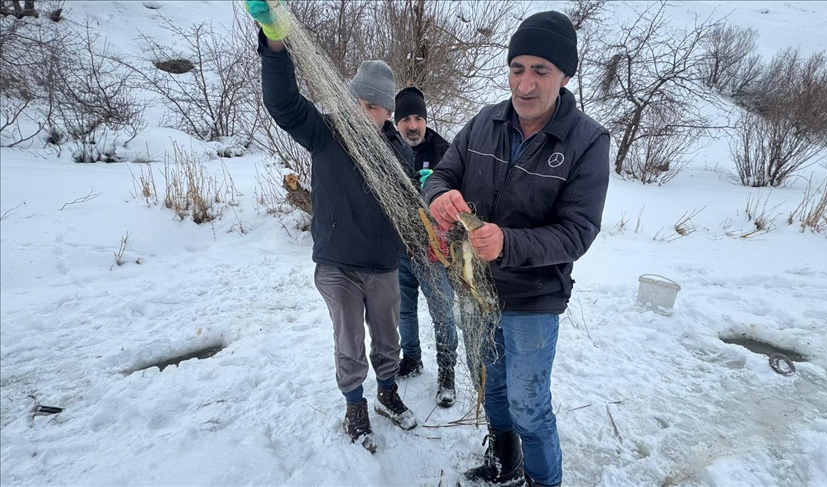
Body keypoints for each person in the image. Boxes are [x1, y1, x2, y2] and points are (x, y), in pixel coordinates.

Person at [424, 11, 610, 487]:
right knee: (494, 390)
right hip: (477, 291)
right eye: (517, 68)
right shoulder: (485, 120)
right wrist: (438, 194)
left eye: (540, 70)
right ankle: (505, 464)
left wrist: (508, 242)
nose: (525, 85)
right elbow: (443, 173)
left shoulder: (587, 141)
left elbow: (578, 231)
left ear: (565, 75)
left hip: (532, 298)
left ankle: (543, 481)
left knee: (529, 404)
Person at [245, 0, 418, 453]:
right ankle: (354, 406)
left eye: (374, 107)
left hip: (382, 265)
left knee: (387, 338)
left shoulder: (398, 153)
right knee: (349, 341)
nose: (364, 113)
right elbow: (282, 103)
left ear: (387, 112)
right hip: (338, 264)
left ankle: (387, 392)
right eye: (357, 102)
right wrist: (275, 41)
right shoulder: (326, 133)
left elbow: (411, 207)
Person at [393, 87, 459, 408]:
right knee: (403, 311)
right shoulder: (386, 149)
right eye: (405, 118)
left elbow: (460, 198)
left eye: (418, 117)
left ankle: (447, 371)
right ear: (397, 122)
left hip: (435, 252)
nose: (412, 125)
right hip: (400, 248)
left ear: (426, 119)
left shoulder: (445, 150)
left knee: (442, 313)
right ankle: (412, 358)